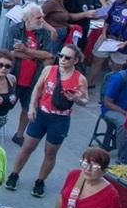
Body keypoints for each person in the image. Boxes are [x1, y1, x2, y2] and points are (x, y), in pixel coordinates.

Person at [7, 44, 89, 199]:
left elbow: (85, 100)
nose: (62, 59)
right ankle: (14, 174)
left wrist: (77, 98)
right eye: (61, 55)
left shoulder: (80, 79)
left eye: (67, 57)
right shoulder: (49, 70)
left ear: (75, 60)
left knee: (50, 152)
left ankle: (40, 181)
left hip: (60, 119)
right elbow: (37, 89)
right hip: (41, 114)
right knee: (27, 147)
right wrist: (31, 107)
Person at [8, 3, 54, 146]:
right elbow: (12, 52)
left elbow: (48, 54)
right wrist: (37, 56)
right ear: (27, 18)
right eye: (38, 17)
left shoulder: (44, 33)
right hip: (15, 76)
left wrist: (26, 51)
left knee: (27, 107)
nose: (42, 20)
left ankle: (19, 134)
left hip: (34, 78)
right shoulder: (15, 29)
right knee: (4, 105)